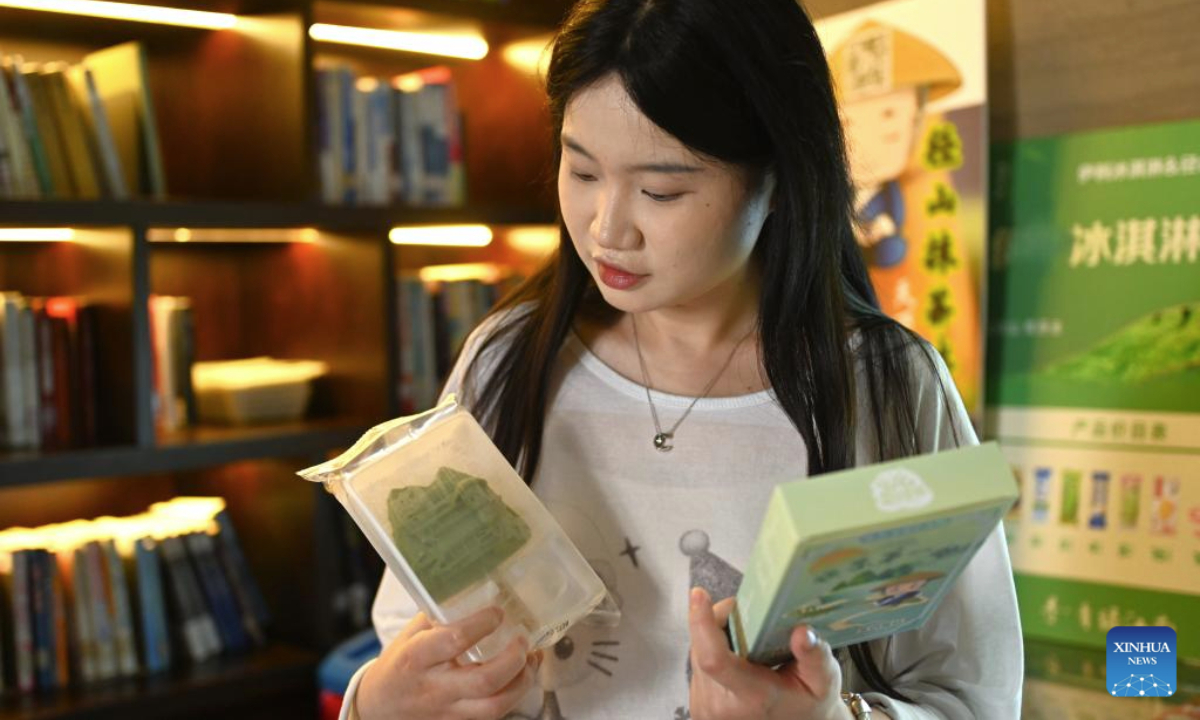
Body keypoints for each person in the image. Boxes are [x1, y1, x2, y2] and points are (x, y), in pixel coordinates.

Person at [345, 0, 1023, 718]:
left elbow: (971, 696)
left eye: (660, 190)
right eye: (580, 172)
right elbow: (417, 639)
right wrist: (377, 703)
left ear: (779, 178)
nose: (608, 228)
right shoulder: (510, 359)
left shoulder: (881, 386)